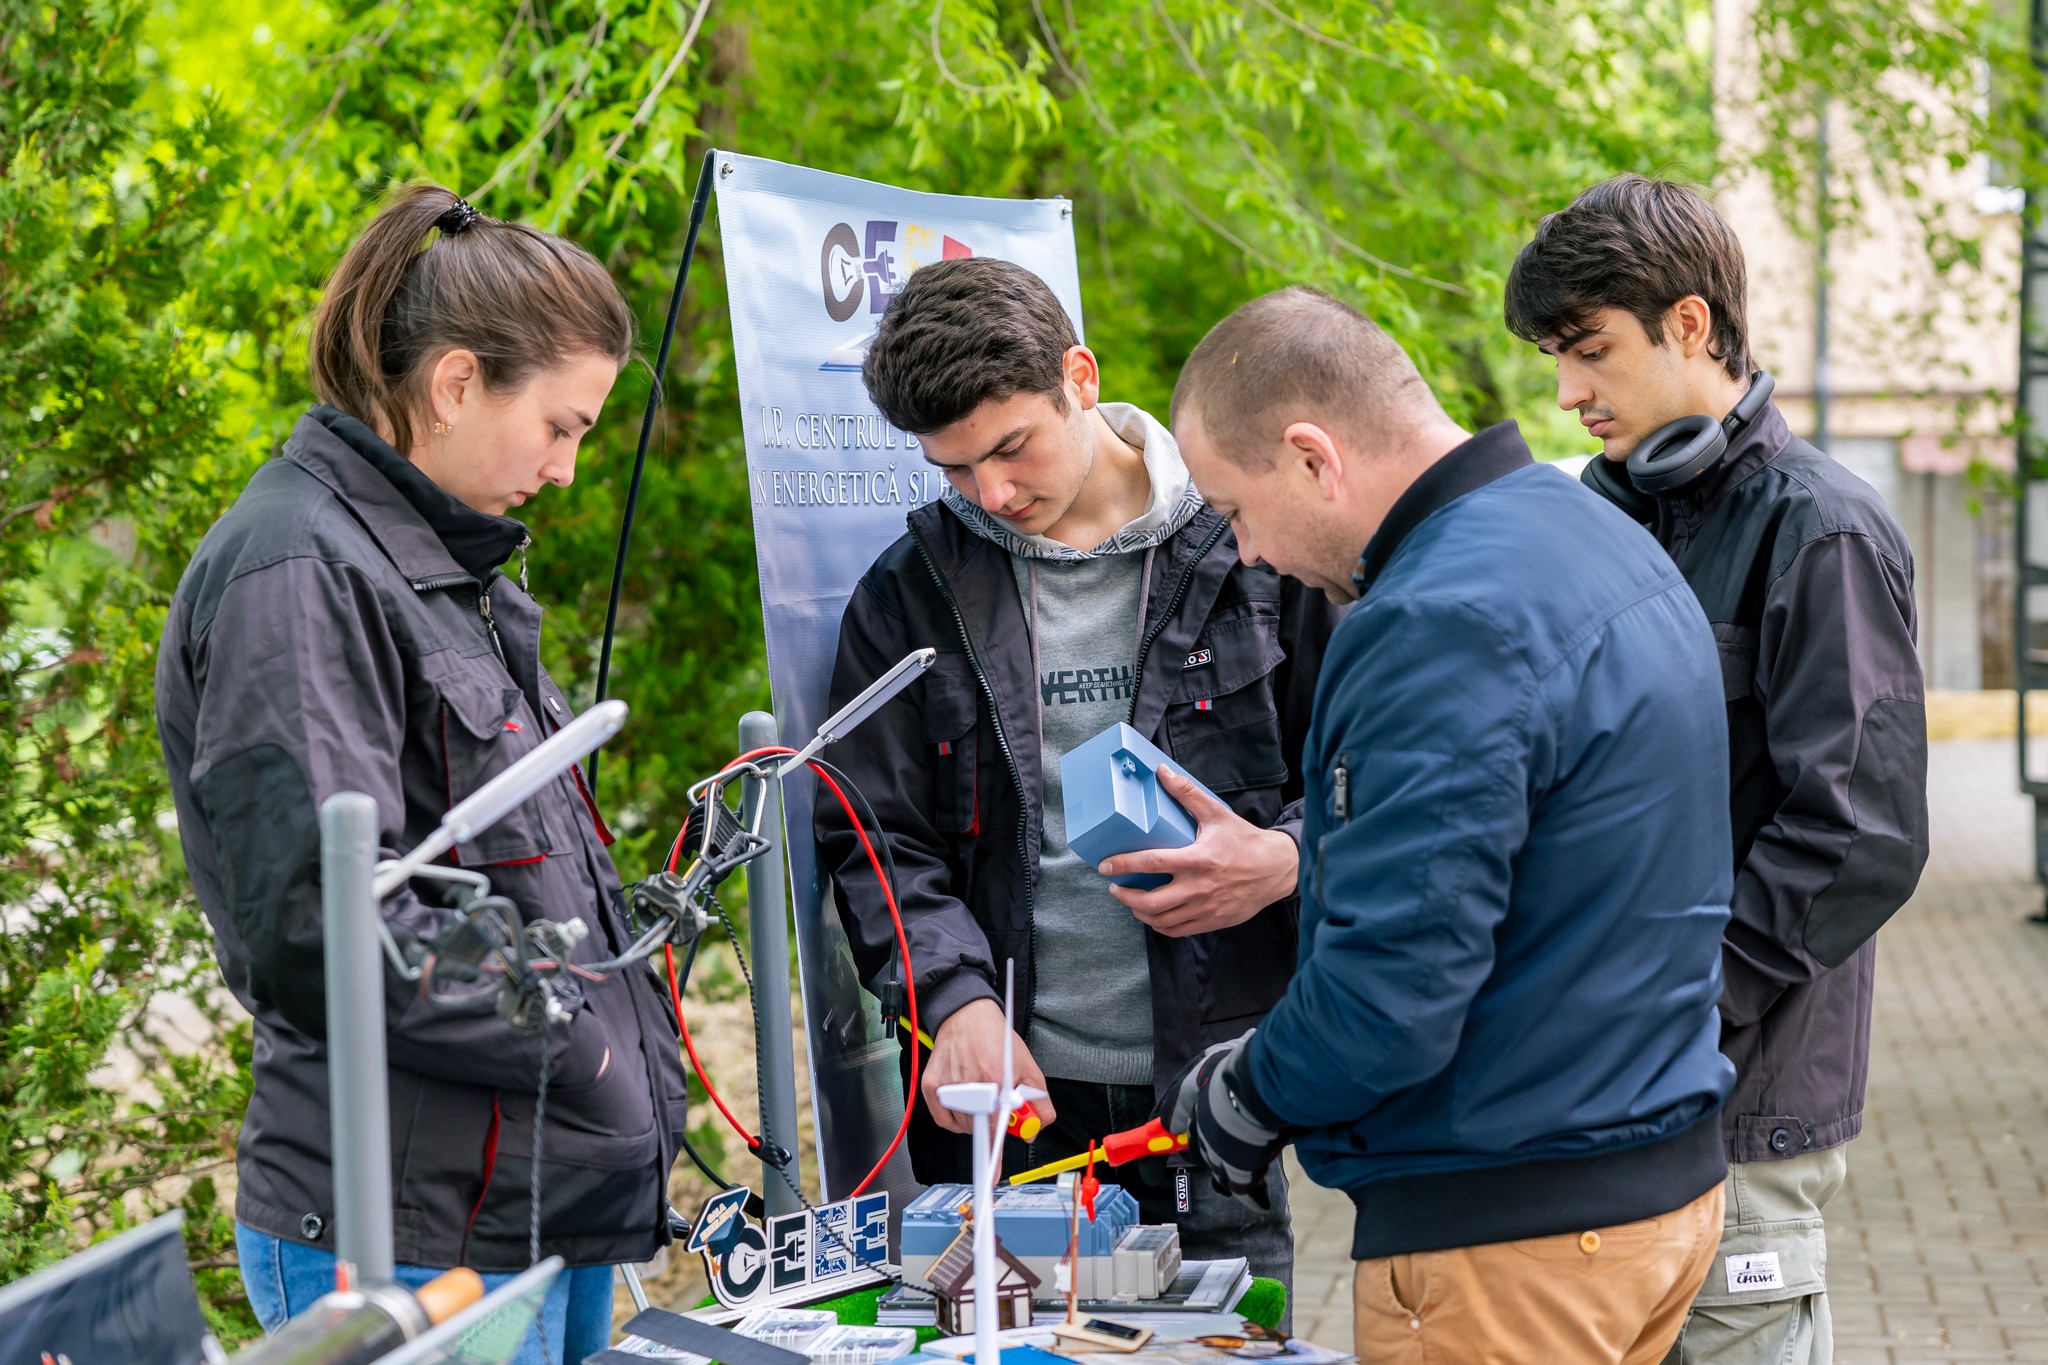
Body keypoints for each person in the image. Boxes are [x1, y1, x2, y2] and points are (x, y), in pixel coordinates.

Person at [155, 184, 689, 1365]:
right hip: (407, 1233)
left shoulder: (438, 568)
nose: (562, 470)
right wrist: (573, 1035)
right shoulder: (297, 572)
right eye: (560, 427)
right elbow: (318, 922)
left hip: (530, 1203)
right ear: (455, 385)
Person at [1158, 285, 1738, 1364]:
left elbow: (1391, 988)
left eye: (1233, 510)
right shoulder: (1590, 535)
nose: (1244, 555)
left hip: (1509, 1231)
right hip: (1653, 1188)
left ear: (1309, 457)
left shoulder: (1434, 619)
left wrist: (1244, 1092)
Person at [814, 257, 1342, 1291]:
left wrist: (1282, 859)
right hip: (1018, 1126)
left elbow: (1377, 784)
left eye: (1011, 449)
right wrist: (953, 1000)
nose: (992, 496)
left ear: (1080, 375)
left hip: (1246, 1098)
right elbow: (873, 837)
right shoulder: (909, 591)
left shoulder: (1255, 547)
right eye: (955, 472)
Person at [1505, 174, 1930, 1364]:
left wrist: (1685, 999)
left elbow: (1858, 834)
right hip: (1590, 1096)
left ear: (1688, 325)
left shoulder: (1822, 531)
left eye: (1586, 351)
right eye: (1554, 357)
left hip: (1734, 1100)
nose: (1566, 392)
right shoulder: (1595, 523)